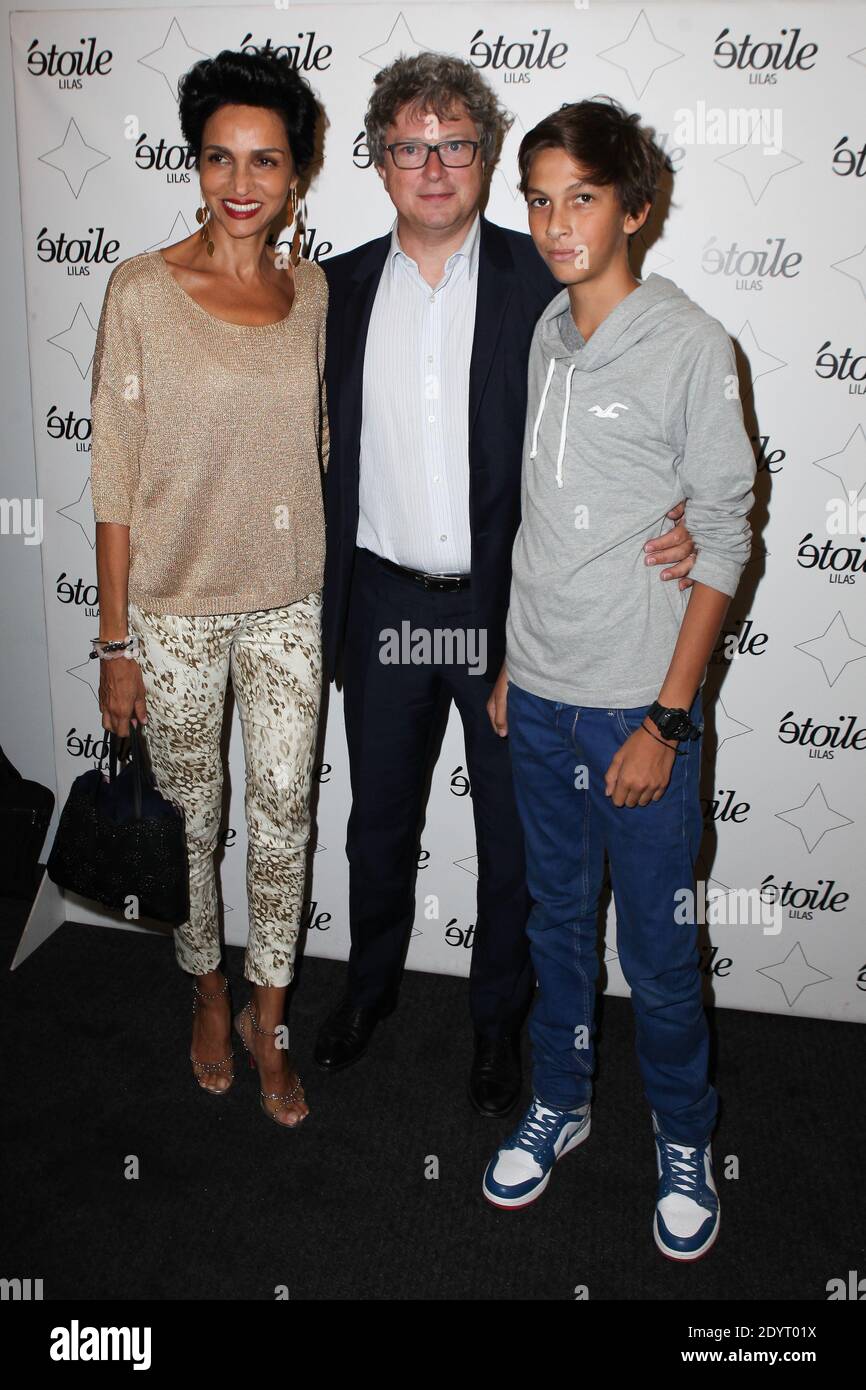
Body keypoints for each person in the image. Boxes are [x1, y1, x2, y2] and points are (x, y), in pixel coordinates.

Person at [315, 54, 697, 1116]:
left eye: (454, 144)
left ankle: (498, 1030)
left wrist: (681, 514)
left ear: (482, 159)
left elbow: (638, 408)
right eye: (408, 145)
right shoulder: (331, 290)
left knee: (513, 848)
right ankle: (368, 994)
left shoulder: (547, 274)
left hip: (503, 616)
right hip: (386, 607)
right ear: (379, 161)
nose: (431, 165)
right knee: (377, 823)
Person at [481, 98, 756, 1260]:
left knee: (654, 945)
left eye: (579, 196)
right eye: (537, 197)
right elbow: (539, 520)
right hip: (536, 697)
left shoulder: (690, 344)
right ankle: (562, 1099)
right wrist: (507, 660)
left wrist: (664, 715)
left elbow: (726, 540)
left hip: (634, 710)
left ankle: (684, 1137)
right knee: (553, 926)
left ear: (634, 208)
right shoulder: (547, 328)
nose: (554, 221)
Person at [90, 49, 328, 1128]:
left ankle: (268, 1016)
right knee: (193, 828)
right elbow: (112, 472)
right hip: (172, 615)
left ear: (295, 173)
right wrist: (115, 644)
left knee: (284, 815)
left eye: (265, 160)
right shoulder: (143, 289)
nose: (241, 181)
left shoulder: (312, 290)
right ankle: (207, 989)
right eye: (220, 158)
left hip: (288, 601)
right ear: (195, 165)